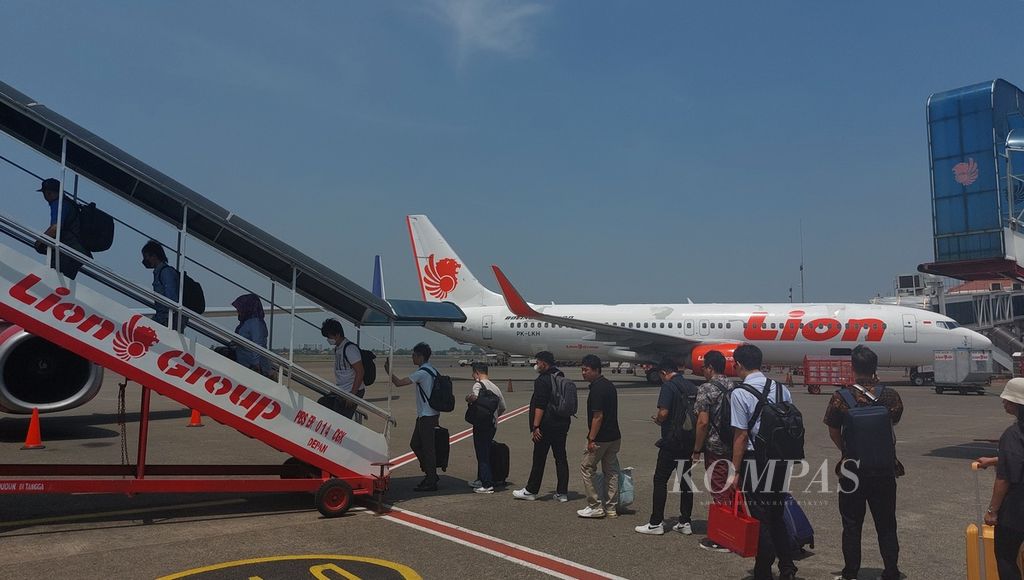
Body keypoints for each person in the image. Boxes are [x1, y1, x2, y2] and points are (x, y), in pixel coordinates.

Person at [823, 345, 903, 580]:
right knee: (887, 523)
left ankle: (850, 572)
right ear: (875, 367)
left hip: (853, 470)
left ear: (853, 368)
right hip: (884, 468)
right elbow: (893, 422)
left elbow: (833, 430)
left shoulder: (841, 396)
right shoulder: (890, 395)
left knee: (851, 524)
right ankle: (891, 570)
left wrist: (848, 451)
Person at [727, 344, 797, 580]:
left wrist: (734, 471)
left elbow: (741, 435)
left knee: (760, 517)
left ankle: (763, 571)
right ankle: (787, 566)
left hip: (755, 460)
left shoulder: (740, 393)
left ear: (739, 364)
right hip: (781, 458)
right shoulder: (781, 388)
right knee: (776, 512)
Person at [635, 358, 698, 536]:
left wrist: (659, 420)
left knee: (660, 480)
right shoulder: (691, 386)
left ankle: (656, 523)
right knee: (685, 481)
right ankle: (685, 521)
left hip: (671, 441)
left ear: (664, 373)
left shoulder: (668, 386)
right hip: (688, 441)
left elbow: (663, 412)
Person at [976, 378, 1024, 580]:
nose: (1003, 402)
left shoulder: (1012, 434)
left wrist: (992, 511)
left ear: (1017, 404)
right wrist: (995, 459)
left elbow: (1005, 478)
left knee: (1005, 556)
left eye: (1007, 399)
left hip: (1017, 507)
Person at [513, 351, 571, 502]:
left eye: (538, 362)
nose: (536, 365)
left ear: (544, 363)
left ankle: (531, 490)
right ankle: (562, 493)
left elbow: (540, 405)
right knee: (560, 457)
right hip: (562, 423)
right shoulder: (560, 375)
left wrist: (535, 426)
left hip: (546, 425)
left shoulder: (542, 380)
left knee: (539, 458)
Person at [691, 350, 734, 552]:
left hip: (715, 445)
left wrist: (697, 449)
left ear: (709, 367)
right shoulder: (735, 386)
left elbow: (702, 422)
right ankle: (736, 524)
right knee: (732, 486)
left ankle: (726, 535)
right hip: (734, 445)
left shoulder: (706, 388)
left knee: (718, 487)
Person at [388, 342, 440, 492]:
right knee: (416, 444)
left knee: (427, 448)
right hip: (430, 414)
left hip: (426, 416)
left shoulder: (422, 373)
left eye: (414, 355)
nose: (412, 357)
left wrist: (388, 371)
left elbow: (399, 383)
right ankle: (431, 474)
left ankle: (431, 479)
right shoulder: (432, 370)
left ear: (420, 356)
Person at [577, 354, 622, 519]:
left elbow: (598, 416)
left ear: (596, 370)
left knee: (587, 467)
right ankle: (611, 507)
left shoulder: (597, 389)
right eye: (582, 370)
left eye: (586, 370)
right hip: (614, 436)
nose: (583, 373)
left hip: (600, 438)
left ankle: (595, 505)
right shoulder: (609, 385)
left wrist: (591, 439)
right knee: (611, 471)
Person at [36, 177, 90, 279]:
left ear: (48, 193)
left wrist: (39, 241)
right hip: (78, 251)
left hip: (69, 252)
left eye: (45, 193)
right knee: (61, 285)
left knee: (53, 280)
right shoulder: (69, 203)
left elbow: (55, 228)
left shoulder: (58, 204)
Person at [466, 362, 507, 494]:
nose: (473, 376)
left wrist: (468, 398)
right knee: (485, 450)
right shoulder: (495, 387)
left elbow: (475, 398)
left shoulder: (478, 385)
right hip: (492, 425)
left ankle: (487, 484)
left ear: (477, 373)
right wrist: (494, 417)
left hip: (481, 425)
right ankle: (481, 479)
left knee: (482, 454)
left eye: (473, 373)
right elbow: (503, 407)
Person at [320, 318, 365, 421]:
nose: (328, 339)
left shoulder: (349, 349)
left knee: (341, 422)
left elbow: (360, 372)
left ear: (337, 334)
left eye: (329, 336)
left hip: (351, 391)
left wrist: (352, 395)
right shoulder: (338, 348)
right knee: (324, 404)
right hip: (342, 390)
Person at [141, 240, 181, 329]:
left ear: (154, 256)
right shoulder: (159, 273)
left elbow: (171, 299)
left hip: (166, 320)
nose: (145, 260)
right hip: (163, 318)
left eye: (146, 257)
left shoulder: (166, 272)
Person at [231, 293, 271, 377]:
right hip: (245, 364)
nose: (237, 311)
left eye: (239, 308)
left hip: (254, 367)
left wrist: (255, 365)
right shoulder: (246, 322)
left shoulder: (255, 323)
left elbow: (258, 343)